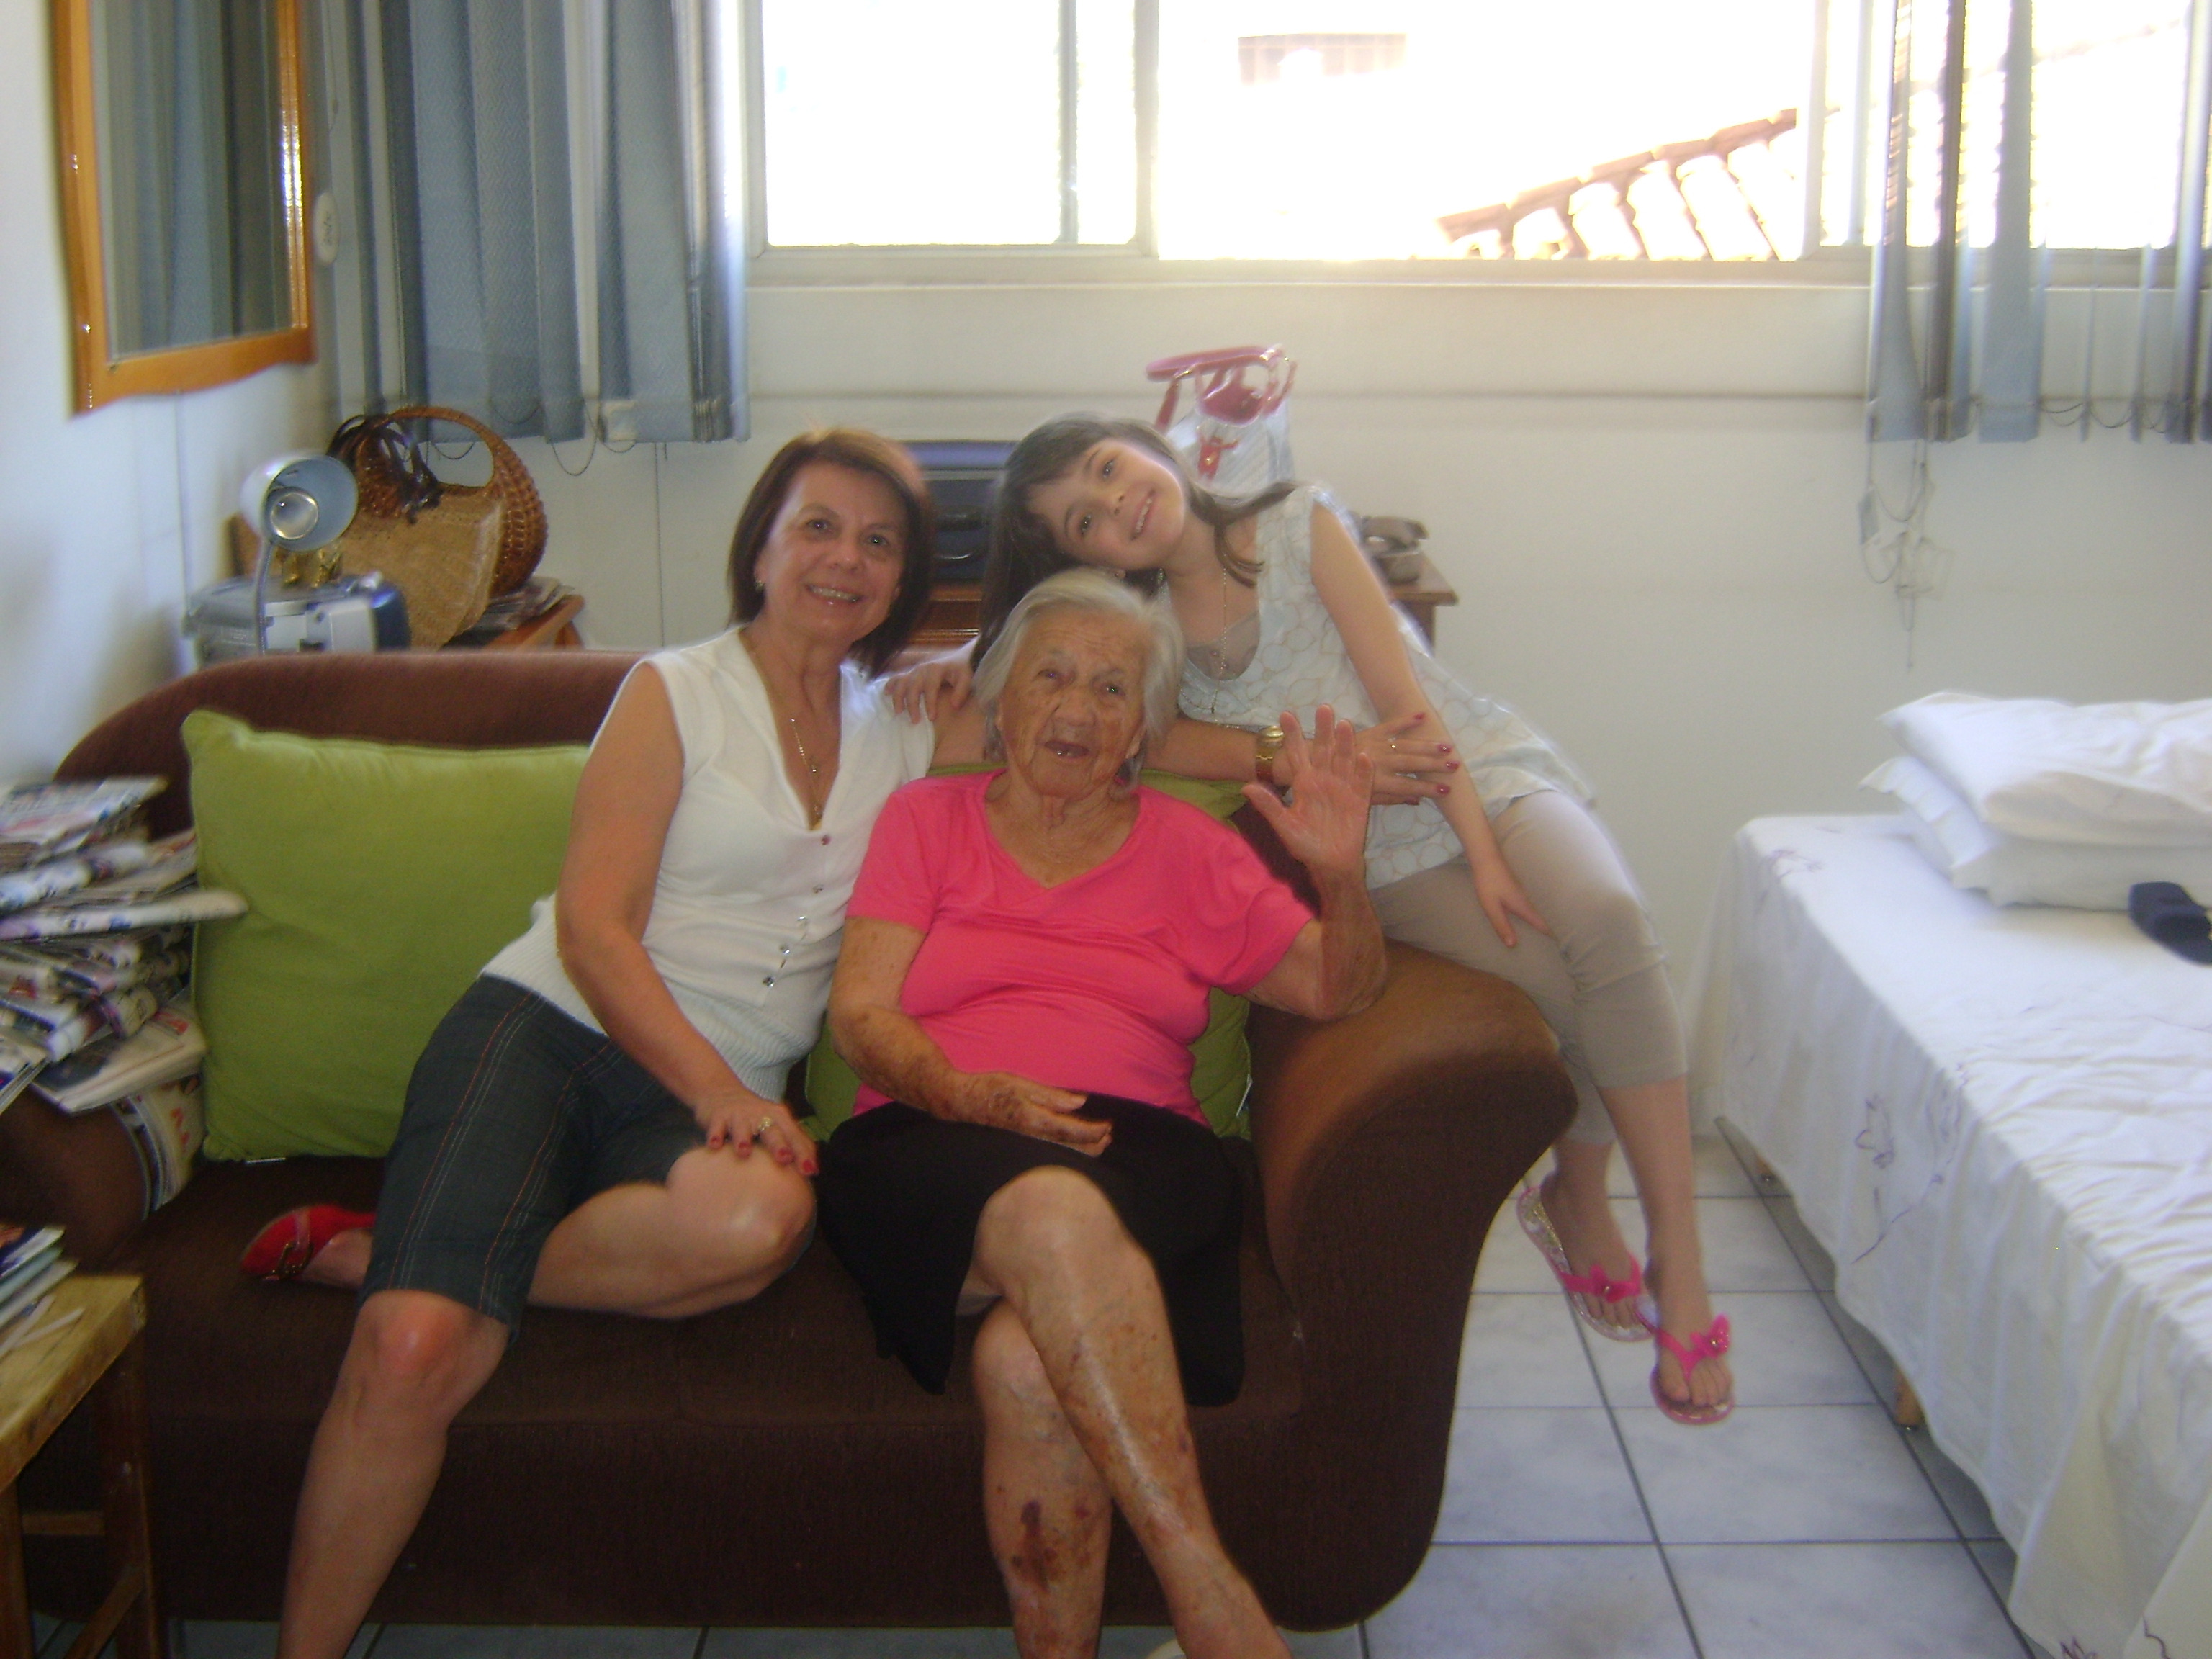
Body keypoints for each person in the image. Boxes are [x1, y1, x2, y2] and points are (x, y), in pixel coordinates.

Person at [246, 429, 974, 1659]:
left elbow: (1090, 677)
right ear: (761, 550)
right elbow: (592, 928)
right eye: (818, 527)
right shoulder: (672, 691)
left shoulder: (905, 721)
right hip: (550, 1027)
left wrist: (977, 658)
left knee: (757, 1227)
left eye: (879, 542)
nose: (846, 560)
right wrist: (717, 1092)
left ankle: (394, 1252)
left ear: (905, 579)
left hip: (712, 1088)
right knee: (415, 1346)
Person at [952, 415, 1733, 1427]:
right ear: (1089, 558)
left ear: (1150, 444)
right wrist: (955, 659)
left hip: (1478, 776)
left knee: (1613, 924)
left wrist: (1486, 852)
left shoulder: (1296, 521)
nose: (1116, 505)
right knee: (1563, 994)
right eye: (1084, 521)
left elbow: (1404, 697)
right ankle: (1580, 1202)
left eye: (1108, 470)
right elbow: (1148, 730)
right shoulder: (1143, 629)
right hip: (1384, 853)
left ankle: (1676, 1257)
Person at [823, 570, 1383, 1659]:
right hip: (932, 1136)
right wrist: (967, 1094)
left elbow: (1336, 989)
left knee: (1026, 1363)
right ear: (1001, 699)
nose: (1077, 708)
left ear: (1141, 730)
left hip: (1138, 1153)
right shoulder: (926, 819)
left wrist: (1344, 880)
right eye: (1053, 677)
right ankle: (1211, 1596)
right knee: (1048, 1213)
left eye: (1112, 688)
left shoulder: (1187, 847)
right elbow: (859, 1014)